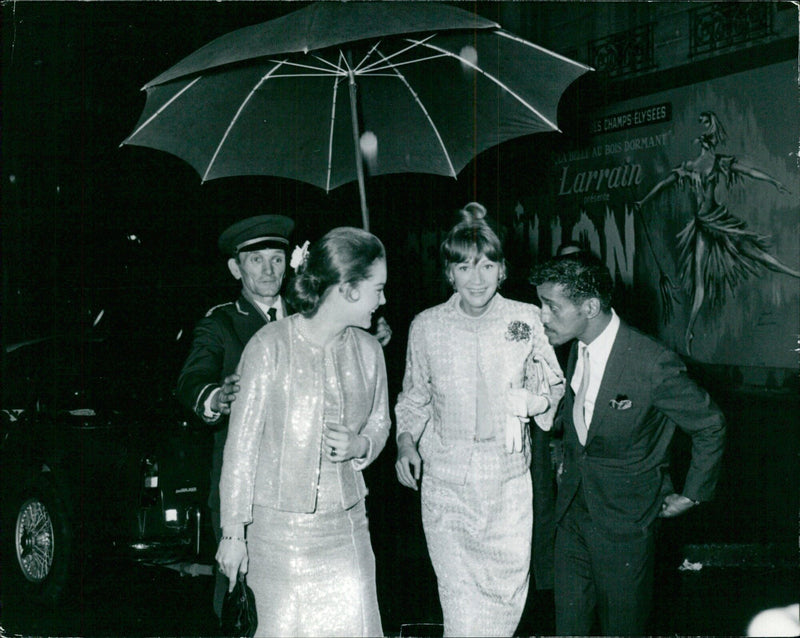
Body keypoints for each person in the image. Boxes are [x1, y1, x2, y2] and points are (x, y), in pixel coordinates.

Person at [176, 214, 391, 621]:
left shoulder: (365, 347)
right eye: (256, 261)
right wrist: (217, 397)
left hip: (347, 522)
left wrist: (361, 445)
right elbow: (228, 431)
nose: (269, 270)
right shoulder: (245, 332)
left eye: (277, 259)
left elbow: (379, 422)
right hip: (272, 521)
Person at [529, 252, 726, 635]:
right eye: (542, 304)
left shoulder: (651, 363)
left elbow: (710, 424)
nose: (543, 316)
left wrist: (692, 493)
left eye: (552, 306)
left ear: (590, 306)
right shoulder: (575, 348)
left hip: (625, 526)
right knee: (567, 629)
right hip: (571, 517)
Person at [395, 202, 564, 637]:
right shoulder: (426, 326)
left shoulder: (526, 319)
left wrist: (534, 401)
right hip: (446, 485)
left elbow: (556, 386)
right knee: (460, 601)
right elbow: (413, 399)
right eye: (465, 267)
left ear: (503, 270)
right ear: (449, 273)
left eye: (488, 265)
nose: (477, 278)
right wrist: (406, 444)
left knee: (505, 597)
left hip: (508, 482)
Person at [634, 111, 797, 353]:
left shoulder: (718, 163)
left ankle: (795, 272)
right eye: (705, 138)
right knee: (700, 279)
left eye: (707, 137)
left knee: (754, 254)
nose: (706, 141)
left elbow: (749, 171)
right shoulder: (688, 167)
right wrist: (644, 201)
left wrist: (773, 181)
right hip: (702, 225)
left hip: (718, 221)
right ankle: (690, 329)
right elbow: (663, 184)